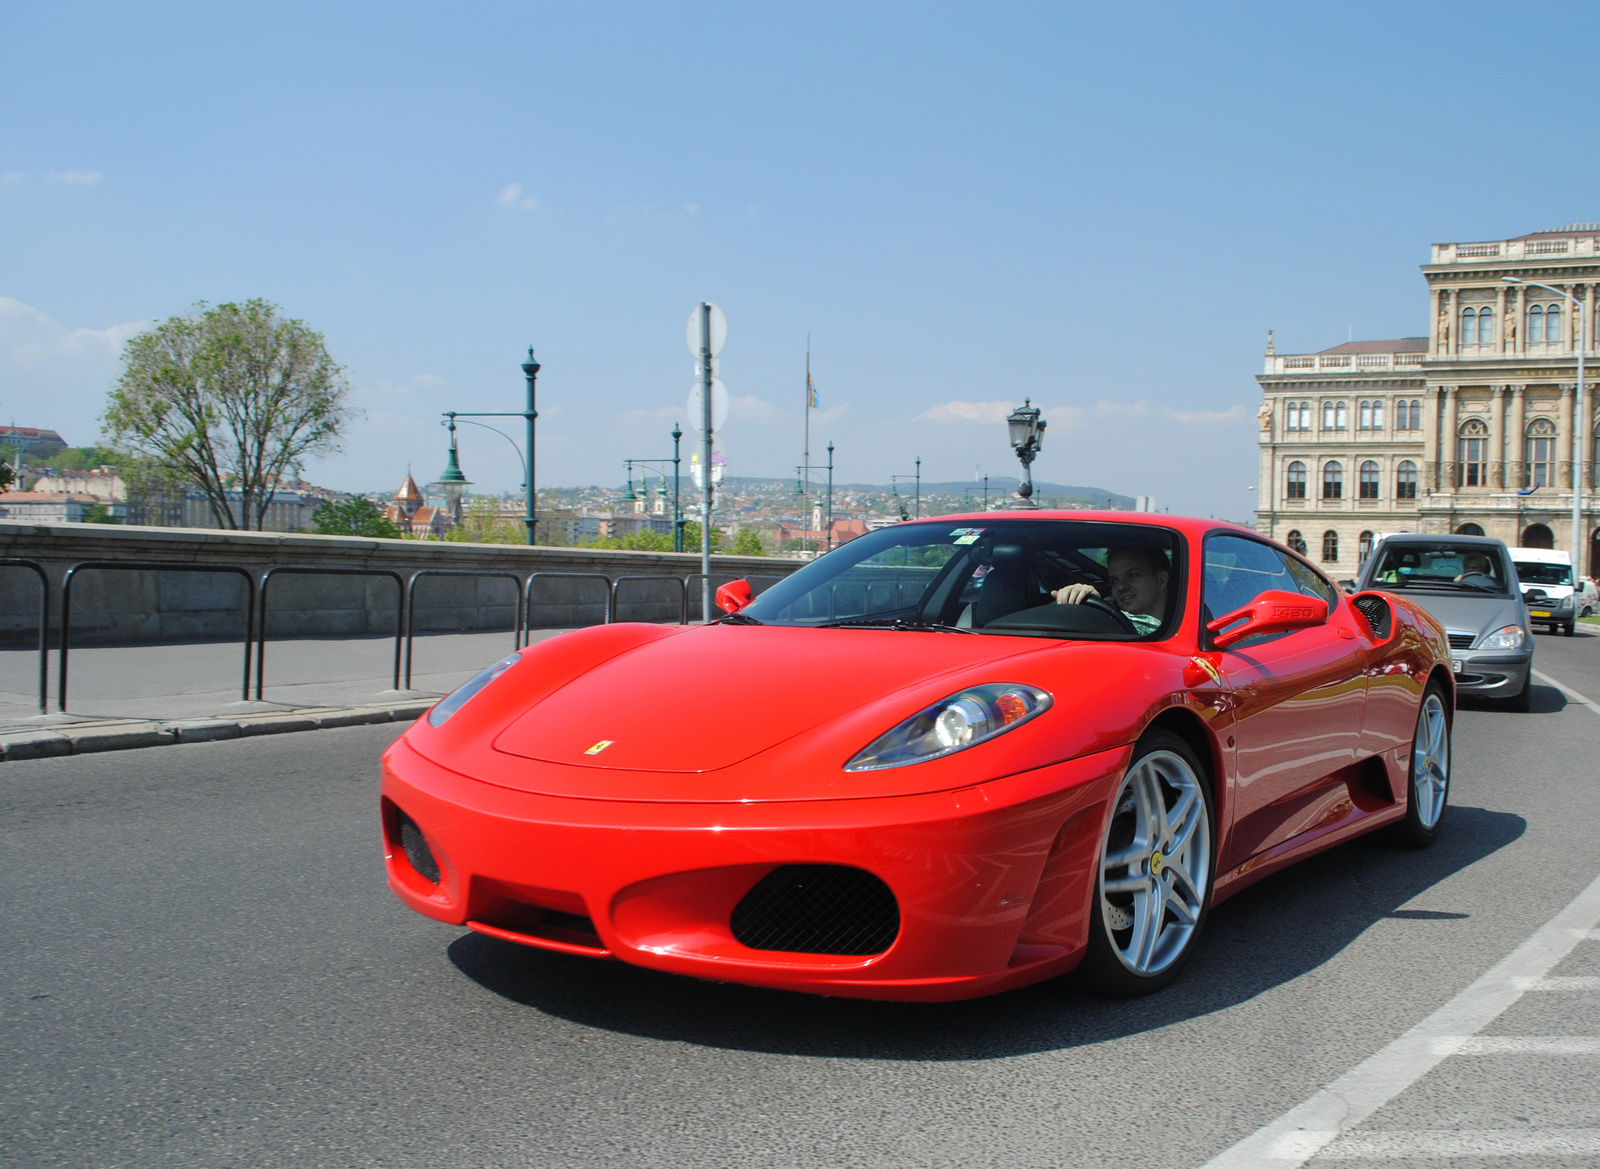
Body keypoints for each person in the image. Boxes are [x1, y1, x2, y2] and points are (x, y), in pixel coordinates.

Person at [1053, 546, 1169, 634]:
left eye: (1132, 575)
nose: (1121, 587)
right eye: (1114, 581)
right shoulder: (1110, 623)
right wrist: (1079, 599)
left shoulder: (1177, 630)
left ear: (1161, 580)